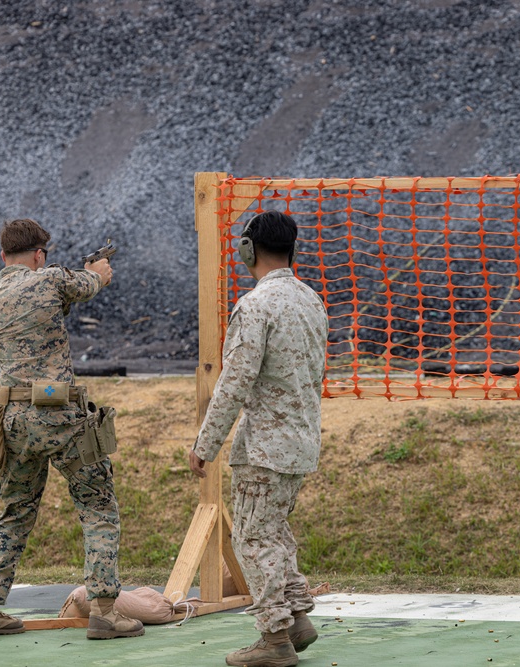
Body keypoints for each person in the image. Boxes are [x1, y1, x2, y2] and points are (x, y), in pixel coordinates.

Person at [0, 218, 144, 641]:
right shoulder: (51, 280)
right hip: (60, 415)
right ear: (39, 255)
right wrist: (97, 271)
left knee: (15, 512)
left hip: (12, 420)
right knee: (98, 505)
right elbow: (88, 284)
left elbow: (46, 313)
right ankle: (103, 609)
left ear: (3, 256)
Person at [189, 210, 328, 667]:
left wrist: (205, 445)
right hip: (301, 442)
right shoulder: (311, 300)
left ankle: (274, 637)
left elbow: (234, 383)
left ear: (247, 250)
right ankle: (296, 618)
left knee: (252, 538)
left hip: (265, 447)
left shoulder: (255, 306)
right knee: (274, 531)